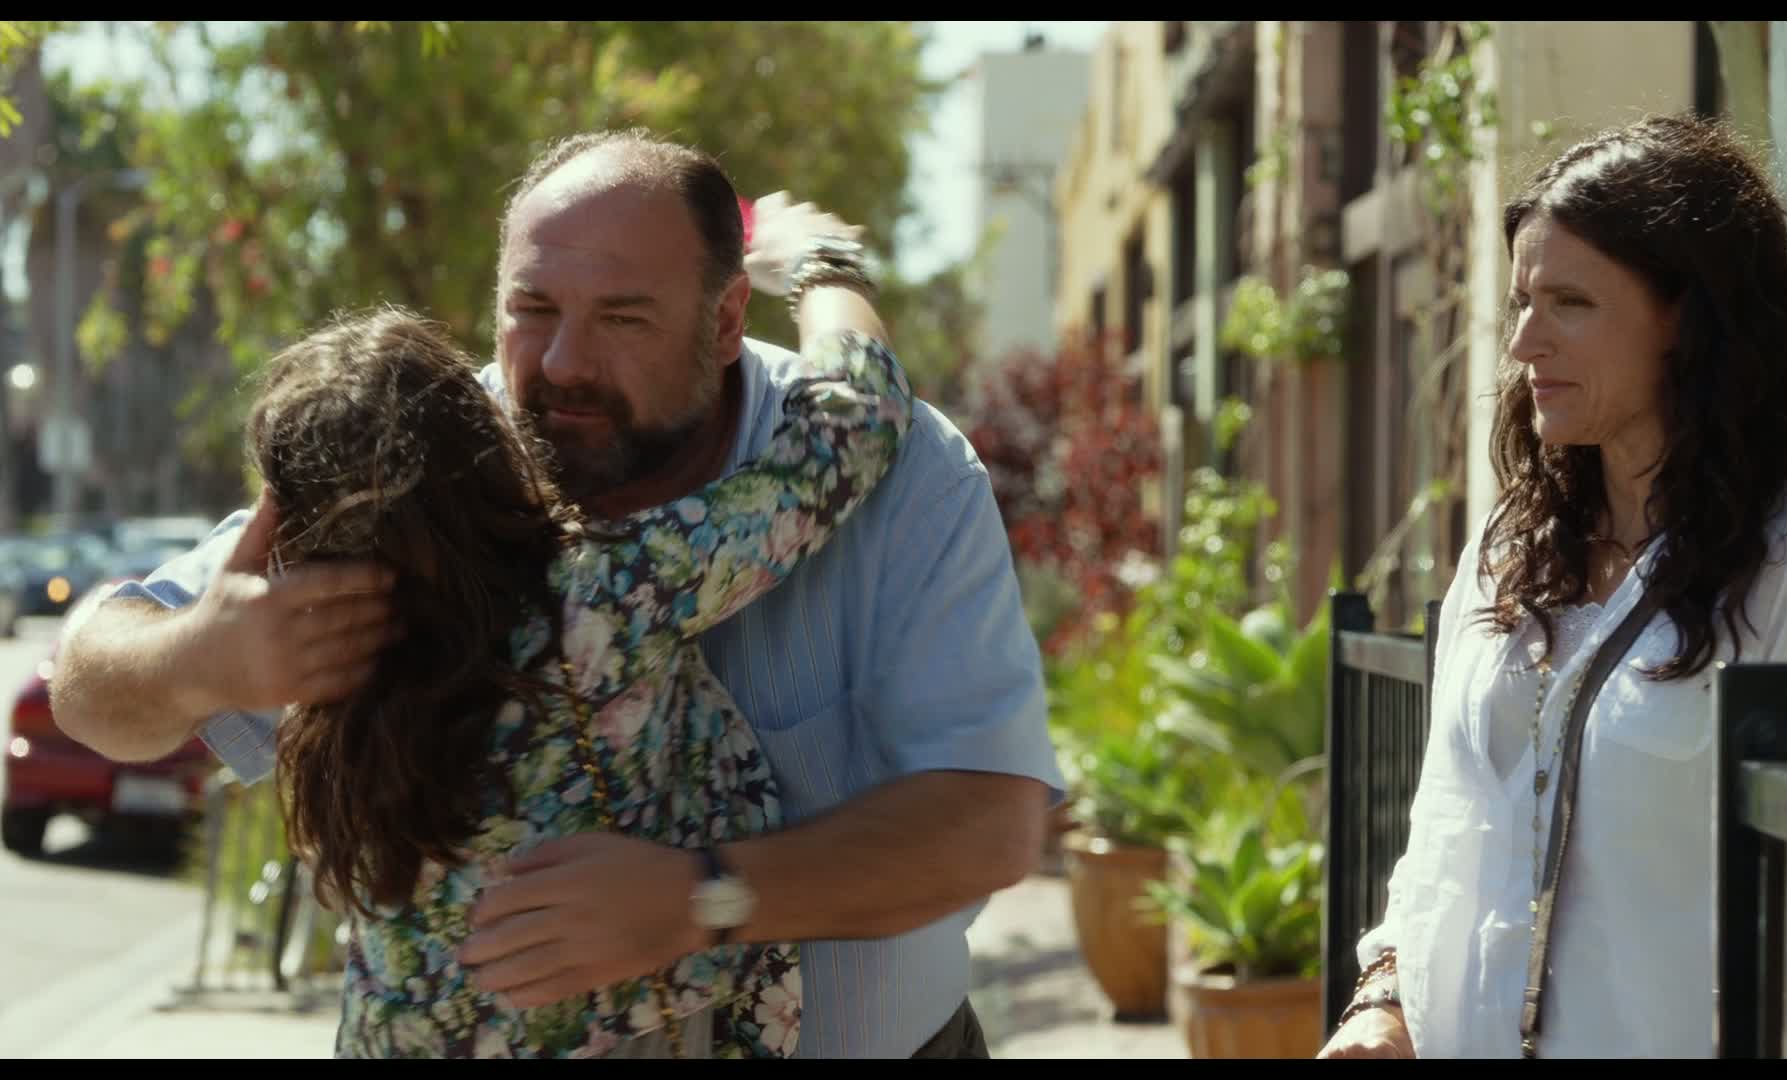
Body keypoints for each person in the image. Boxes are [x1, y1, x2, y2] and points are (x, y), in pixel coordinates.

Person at [51, 131, 1064, 1059]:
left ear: (724, 320)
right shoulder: (541, 556)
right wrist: (198, 656)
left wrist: (705, 896)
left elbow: (991, 824)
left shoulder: (386, 527)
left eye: (621, 317)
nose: (564, 363)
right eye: (531, 312)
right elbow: (88, 679)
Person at [1317, 113, 1787, 1059]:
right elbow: (1443, 828)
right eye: (1522, 300)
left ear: (1687, 318)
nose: (1524, 342)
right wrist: (1383, 1000)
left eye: (1570, 303)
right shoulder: (1508, 547)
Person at [246, 290, 910, 1058]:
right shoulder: (601, 594)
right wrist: (823, 273)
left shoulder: (316, 663)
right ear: (482, 442)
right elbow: (852, 428)